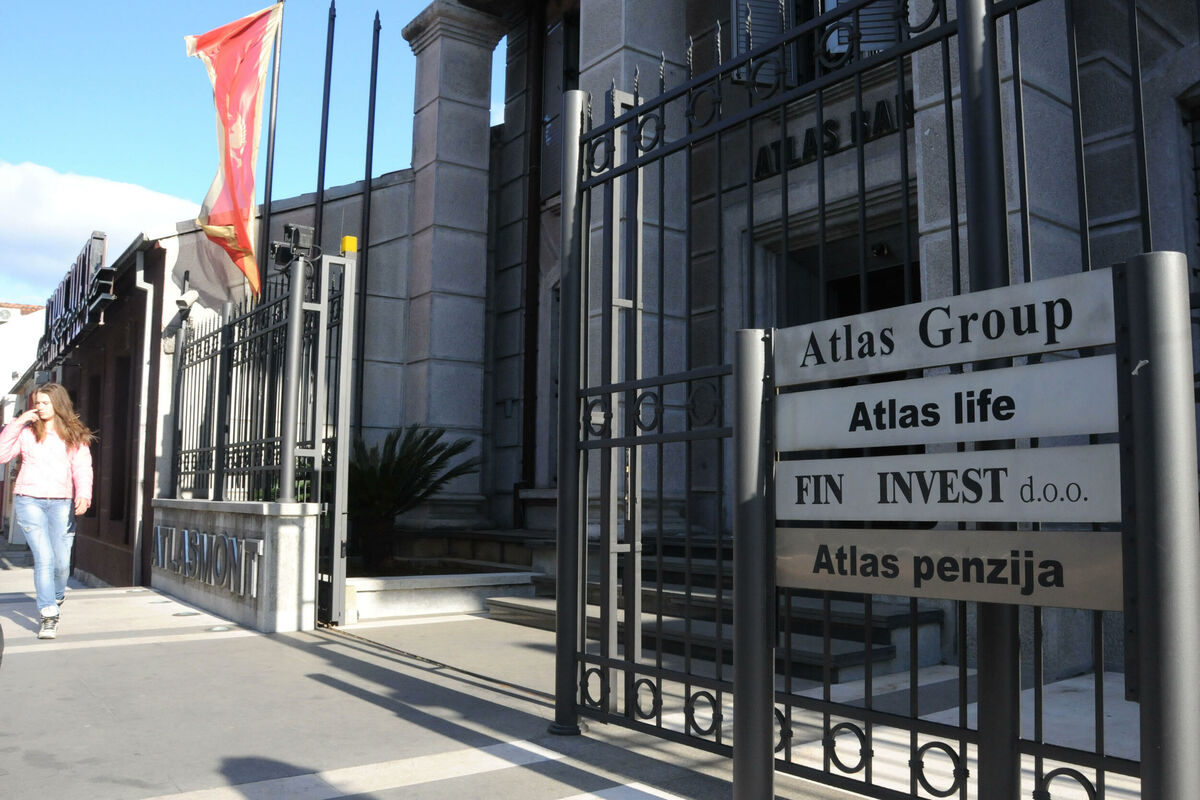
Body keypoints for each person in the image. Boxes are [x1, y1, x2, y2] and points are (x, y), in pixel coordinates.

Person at [0, 384, 93, 640]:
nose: (39, 407)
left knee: (61, 563)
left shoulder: (74, 434)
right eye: (37, 403)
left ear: (57, 404)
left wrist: (84, 494)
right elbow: (2, 454)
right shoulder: (27, 432)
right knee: (44, 558)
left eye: (44, 403)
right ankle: (48, 614)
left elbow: (82, 468)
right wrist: (18, 422)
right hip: (29, 500)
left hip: (62, 502)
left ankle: (56, 596)